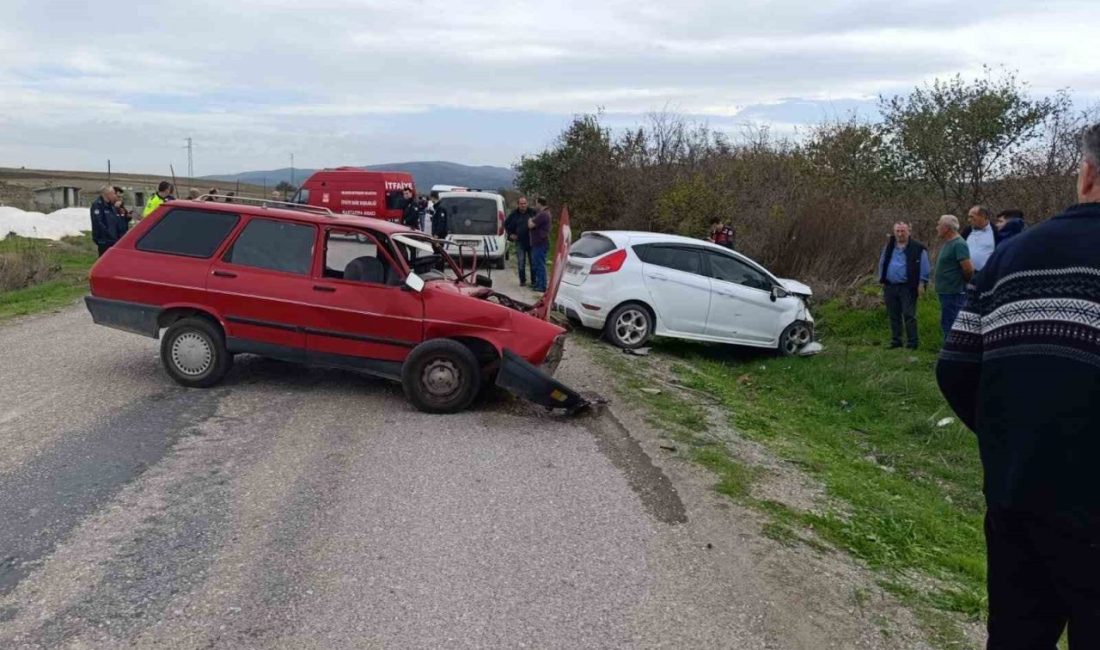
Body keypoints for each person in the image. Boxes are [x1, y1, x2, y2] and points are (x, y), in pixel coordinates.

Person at [936, 121, 1100, 648]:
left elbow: (956, 367)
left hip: (1018, 494)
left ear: (1088, 173)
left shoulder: (1014, 256)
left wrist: (1008, 437)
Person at [876, 222, 930, 349]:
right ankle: (896, 341)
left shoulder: (918, 248)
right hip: (890, 286)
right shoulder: (889, 246)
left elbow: (925, 267)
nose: (900, 234)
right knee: (893, 314)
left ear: (909, 232)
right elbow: (882, 262)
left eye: (903, 231)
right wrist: (881, 279)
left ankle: (912, 342)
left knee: (909, 314)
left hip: (908, 286)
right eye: (897, 231)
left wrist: (922, 283)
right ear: (894, 232)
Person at [933, 214, 974, 340]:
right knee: (946, 323)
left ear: (946, 228)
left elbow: (968, 268)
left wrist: (962, 283)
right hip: (946, 291)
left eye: (939, 224)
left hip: (954, 292)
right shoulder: (948, 243)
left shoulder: (959, 244)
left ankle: (953, 353)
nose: (937, 227)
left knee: (952, 324)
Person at [505, 196, 537, 286]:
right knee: (521, 262)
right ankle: (522, 281)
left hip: (531, 242)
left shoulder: (533, 212)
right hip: (520, 242)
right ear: (518, 205)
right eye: (521, 204)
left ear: (527, 204)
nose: (523, 205)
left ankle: (534, 281)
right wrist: (510, 234)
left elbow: (539, 223)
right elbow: (506, 224)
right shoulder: (514, 214)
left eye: (524, 203)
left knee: (533, 263)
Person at [90, 186, 128, 256]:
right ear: (108, 194)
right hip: (104, 240)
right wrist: (108, 234)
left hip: (113, 239)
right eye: (113, 194)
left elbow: (116, 221)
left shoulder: (112, 206)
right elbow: (98, 222)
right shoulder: (98, 205)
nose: (115, 196)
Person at [528, 197, 552, 292]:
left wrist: (530, 219)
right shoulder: (544, 214)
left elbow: (530, 225)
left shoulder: (543, 214)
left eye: (536, 203)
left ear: (540, 203)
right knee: (537, 264)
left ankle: (542, 286)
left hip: (540, 243)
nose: (535, 205)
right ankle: (538, 284)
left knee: (540, 265)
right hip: (539, 243)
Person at [965, 205, 997, 272]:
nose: (969, 220)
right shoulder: (967, 231)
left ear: (983, 217)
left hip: (985, 275)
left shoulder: (996, 231)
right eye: (968, 217)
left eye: (972, 217)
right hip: (965, 274)